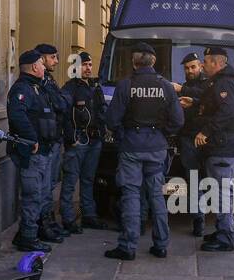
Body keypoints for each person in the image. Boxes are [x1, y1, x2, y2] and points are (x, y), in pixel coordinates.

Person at [104, 44, 183, 261]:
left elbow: (111, 120)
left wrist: (122, 135)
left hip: (131, 145)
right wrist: (162, 135)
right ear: (153, 61)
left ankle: (128, 246)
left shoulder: (125, 85)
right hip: (156, 147)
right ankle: (161, 245)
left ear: (134, 62)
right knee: (157, 195)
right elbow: (177, 120)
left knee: (130, 194)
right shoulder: (166, 86)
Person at [6, 50, 57, 253]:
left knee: (42, 193)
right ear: (35, 67)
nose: (45, 67)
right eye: (41, 64)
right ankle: (28, 237)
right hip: (32, 153)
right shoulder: (22, 89)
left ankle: (26, 233)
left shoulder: (39, 87)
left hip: (44, 151)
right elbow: (17, 115)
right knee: (32, 195)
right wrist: (32, 139)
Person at [193, 45, 234, 252]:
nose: (203, 65)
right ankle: (223, 229)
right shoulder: (220, 81)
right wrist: (194, 102)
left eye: (205, 61)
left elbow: (226, 111)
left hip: (223, 145)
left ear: (216, 62)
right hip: (221, 145)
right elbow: (212, 105)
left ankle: (225, 238)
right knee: (219, 189)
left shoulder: (224, 82)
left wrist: (206, 131)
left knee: (222, 191)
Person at [62, 52, 109, 232]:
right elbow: (64, 115)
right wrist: (70, 137)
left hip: (95, 140)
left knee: (89, 180)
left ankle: (88, 215)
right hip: (78, 141)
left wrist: (104, 131)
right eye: (84, 65)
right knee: (70, 181)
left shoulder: (95, 87)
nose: (88, 68)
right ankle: (67, 218)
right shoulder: (69, 88)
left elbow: (102, 110)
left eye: (90, 64)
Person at [172, 51, 210, 237]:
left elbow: (206, 96)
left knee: (211, 180)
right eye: (187, 68)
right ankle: (198, 219)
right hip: (188, 139)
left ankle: (222, 225)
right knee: (194, 180)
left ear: (201, 66)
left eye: (193, 67)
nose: (190, 70)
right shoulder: (187, 85)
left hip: (206, 139)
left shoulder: (207, 83)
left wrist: (182, 91)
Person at [35, 42, 70, 243]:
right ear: (42, 59)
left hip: (54, 137)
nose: (56, 61)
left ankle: (48, 221)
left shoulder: (48, 79)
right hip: (47, 140)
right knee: (44, 186)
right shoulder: (42, 82)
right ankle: (43, 224)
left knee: (49, 184)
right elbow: (60, 104)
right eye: (53, 57)